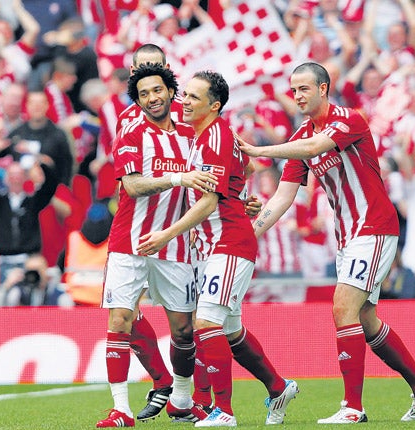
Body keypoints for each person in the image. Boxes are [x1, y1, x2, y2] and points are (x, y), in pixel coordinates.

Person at [238, 62, 415, 424]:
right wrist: (249, 233)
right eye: (293, 90)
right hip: (349, 235)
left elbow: (319, 145)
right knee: (366, 320)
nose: (297, 96)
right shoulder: (302, 135)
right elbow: (283, 197)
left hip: (375, 227)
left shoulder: (349, 119)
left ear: (323, 89)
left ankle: (353, 408)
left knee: (342, 308)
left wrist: (258, 151)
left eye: (304, 88)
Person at [137, 70, 299, 427]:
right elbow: (243, 168)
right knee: (229, 332)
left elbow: (209, 202)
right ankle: (277, 387)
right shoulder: (207, 136)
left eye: (194, 97)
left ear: (215, 105)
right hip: (213, 244)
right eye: (186, 95)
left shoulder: (214, 138)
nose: (185, 101)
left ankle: (222, 411)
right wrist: (242, 197)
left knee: (206, 323)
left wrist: (166, 235)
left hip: (228, 242)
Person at [96, 63, 219, 428]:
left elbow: (211, 177)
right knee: (120, 319)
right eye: (144, 94)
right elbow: (132, 187)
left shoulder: (191, 133)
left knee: (184, 330)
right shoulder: (131, 134)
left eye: (157, 90)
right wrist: (177, 176)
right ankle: (121, 410)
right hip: (129, 243)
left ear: (171, 92)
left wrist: (241, 200)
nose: (152, 98)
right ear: (138, 100)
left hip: (177, 246)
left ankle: (181, 399)